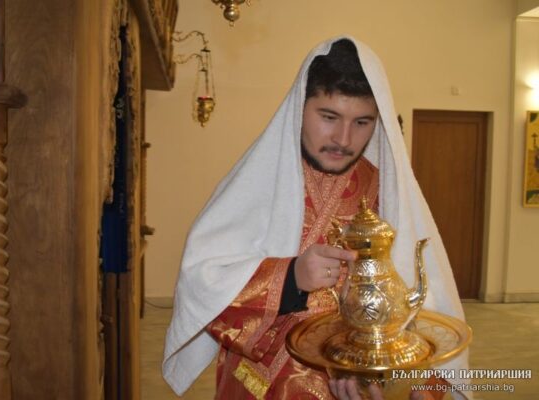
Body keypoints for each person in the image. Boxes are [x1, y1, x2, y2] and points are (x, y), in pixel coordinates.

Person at [163, 36, 469, 399]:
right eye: (329, 117)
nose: (344, 139)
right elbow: (201, 281)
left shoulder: (387, 191)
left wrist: (416, 382)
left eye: (362, 122)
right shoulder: (259, 178)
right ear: (300, 107)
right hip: (259, 385)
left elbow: (420, 302)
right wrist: (291, 277)